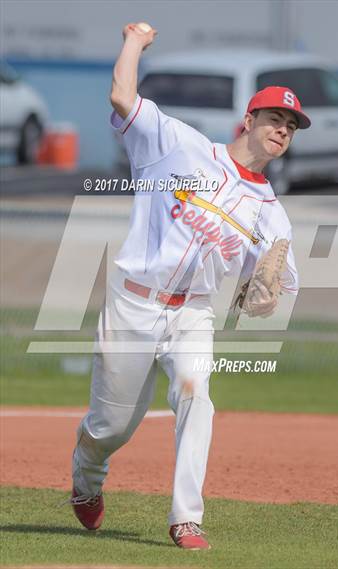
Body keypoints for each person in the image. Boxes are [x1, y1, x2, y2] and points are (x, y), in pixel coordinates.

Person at [68, 22, 310, 550]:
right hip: (134, 301)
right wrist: (134, 41)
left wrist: (265, 292)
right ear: (248, 120)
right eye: (275, 118)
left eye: (291, 126)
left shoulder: (272, 215)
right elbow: (122, 97)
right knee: (112, 428)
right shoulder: (178, 146)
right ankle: (86, 478)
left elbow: (268, 295)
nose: (283, 130)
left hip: (193, 313)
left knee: (196, 395)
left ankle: (185, 519)